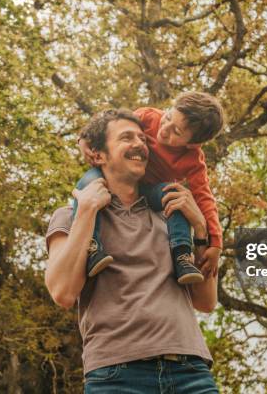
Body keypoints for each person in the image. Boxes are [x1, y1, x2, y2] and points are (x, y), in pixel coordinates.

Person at [45, 109, 219, 393]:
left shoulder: (171, 217)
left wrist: (200, 229)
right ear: (98, 155)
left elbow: (206, 301)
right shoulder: (69, 217)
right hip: (116, 376)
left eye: (142, 137)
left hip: (191, 372)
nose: (140, 143)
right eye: (126, 137)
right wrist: (88, 210)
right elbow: (63, 293)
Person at [72, 92, 224, 284]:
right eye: (168, 116)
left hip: (149, 192)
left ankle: (182, 255)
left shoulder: (193, 161)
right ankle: (92, 247)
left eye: (176, 131)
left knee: (177, 196)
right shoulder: (147, 116)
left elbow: (204, 198)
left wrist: (216, 243)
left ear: (193, 144)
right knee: (87, 184)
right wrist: (84, 139)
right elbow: (112, 125)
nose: (165, 128)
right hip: (114, 179)